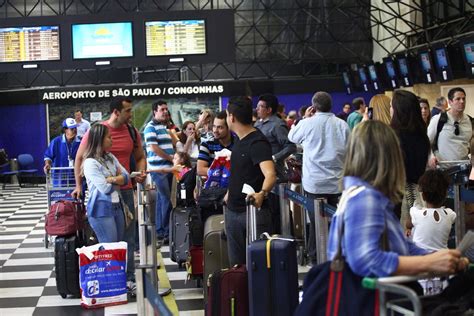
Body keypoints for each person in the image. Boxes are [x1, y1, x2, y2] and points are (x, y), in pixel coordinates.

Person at [327, 120, 468, 279]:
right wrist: (429, 263)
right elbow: (366, 261)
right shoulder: (365, 199)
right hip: (375, 301)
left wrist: (439, 259)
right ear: (389, 158)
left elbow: (402, 246)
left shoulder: (363, 196)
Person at [73, 96, 147, 295]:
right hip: (103, 201)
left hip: (125, 195)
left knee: (127, 240)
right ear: (116, 111)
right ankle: (112, 282)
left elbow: (138, 160)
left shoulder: (132, 132)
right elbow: (81, 159)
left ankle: (127, 279)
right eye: (128, 110)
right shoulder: (97, 131)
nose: (131, 114)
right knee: (110, 243)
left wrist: (136, 174)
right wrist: (79, 185)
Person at [288, 91, 350, 264]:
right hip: (337, 183)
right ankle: (332, 255)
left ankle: (316, 257)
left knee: (317, 222)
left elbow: (292, 137)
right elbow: (350, 148)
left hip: (314, 184)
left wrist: (304, 118)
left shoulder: (307, 123)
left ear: (313, 107)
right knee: (334, 222)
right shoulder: (342, 125)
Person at [225, 96, 276, 266]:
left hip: (252, 212)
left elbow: (270, 174)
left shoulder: (257, 142)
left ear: (231, 117)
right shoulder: (240, 140)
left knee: (258, 265)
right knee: (238, 266)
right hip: (233, 210)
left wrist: (262, 193)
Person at [390, 90, 430, 229]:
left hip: (397, 198)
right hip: (417, 195)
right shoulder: (422, 135)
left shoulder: (393, 137)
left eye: (392, 106)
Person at [82, 124, 129, 243]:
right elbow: (105, 188)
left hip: (117, 207)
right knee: (110, 249)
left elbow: (127, 177)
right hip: (100, 209)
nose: (112, 140)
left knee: (118, 246)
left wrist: (111, 179)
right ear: (99, 140)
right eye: (109, 137)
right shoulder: (90, 163)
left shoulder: (110, 157)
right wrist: (118, 179)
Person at [144, 100, 176, 245]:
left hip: (168, 169)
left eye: (166, 109)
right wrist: (170, 157)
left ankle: (161, 232)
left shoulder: (164, 128)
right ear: (154, 111)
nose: (165, 112)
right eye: (162, 109)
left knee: (162, 201)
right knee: (166, 200)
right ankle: (164, 232)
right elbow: (154, 148)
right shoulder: (150, 127)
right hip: (159, 170)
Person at [407, 169, 455, 251]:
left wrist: (409, 228)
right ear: (445, 195)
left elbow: (408, 224)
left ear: (423, 196)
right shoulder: (450, 214)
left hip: (421, 259)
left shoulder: (416, 213)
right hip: (442, 259)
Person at [255, 93, 296, 180]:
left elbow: (291, 146)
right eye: (257, 106)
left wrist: (274, 157)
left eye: (260, 106)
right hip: (259, 170)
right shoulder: (257, 123)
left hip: (275, 172)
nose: (257, 109)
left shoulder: (277, 125)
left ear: (269, 109)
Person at [428, 87, 472, 168]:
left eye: (463, 99)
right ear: (450, 102)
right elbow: (427, 141)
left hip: (464, 168)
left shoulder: (469, 121)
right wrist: (431, 157)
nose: (462, 101)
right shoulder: (438, 119)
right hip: (443, 168)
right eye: (458, 99)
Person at [197, 111, 234, 177]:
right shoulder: (207, 144)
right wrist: (224, 173)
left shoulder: (238, 144)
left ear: (229, 127)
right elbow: (200, 170)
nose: (215, 130)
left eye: (220, 127)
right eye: (214, 126)